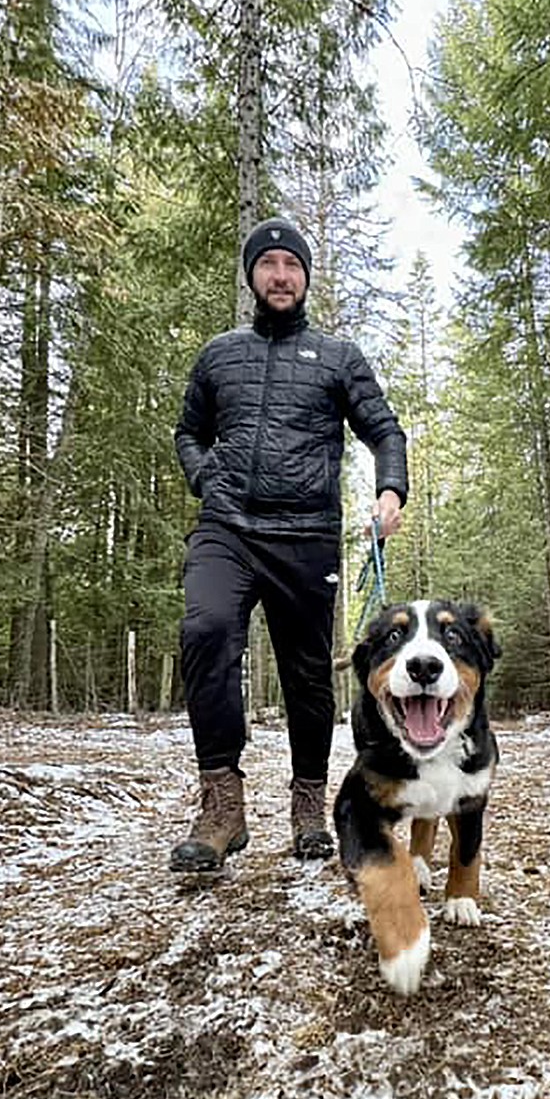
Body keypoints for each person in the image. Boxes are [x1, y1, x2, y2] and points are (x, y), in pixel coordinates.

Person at [171, 216, 407, 873]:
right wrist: (203, 472)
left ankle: (309, 804)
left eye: (292, 266)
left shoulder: (338, 357)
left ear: (306, 277)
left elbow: (384, 431)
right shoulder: (220, 354)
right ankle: (221, 805)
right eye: (269, 264)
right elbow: (188, 432)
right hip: (227, 527)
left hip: (306, 535)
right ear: (252, 275)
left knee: (307, 678)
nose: (281, 276)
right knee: (206, 630)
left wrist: (390, 492)